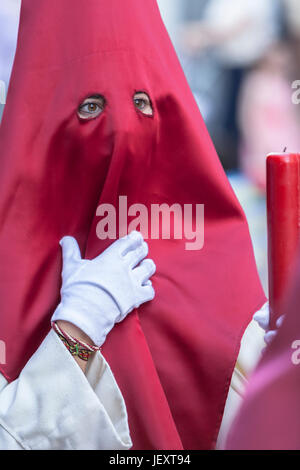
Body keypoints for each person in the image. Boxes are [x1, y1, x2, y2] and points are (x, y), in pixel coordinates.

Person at [0, 0, 267, 449]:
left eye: (142, 103)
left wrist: (279, 370)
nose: (121, 128)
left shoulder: (214, 259)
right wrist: (77, 331)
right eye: (89, 107)